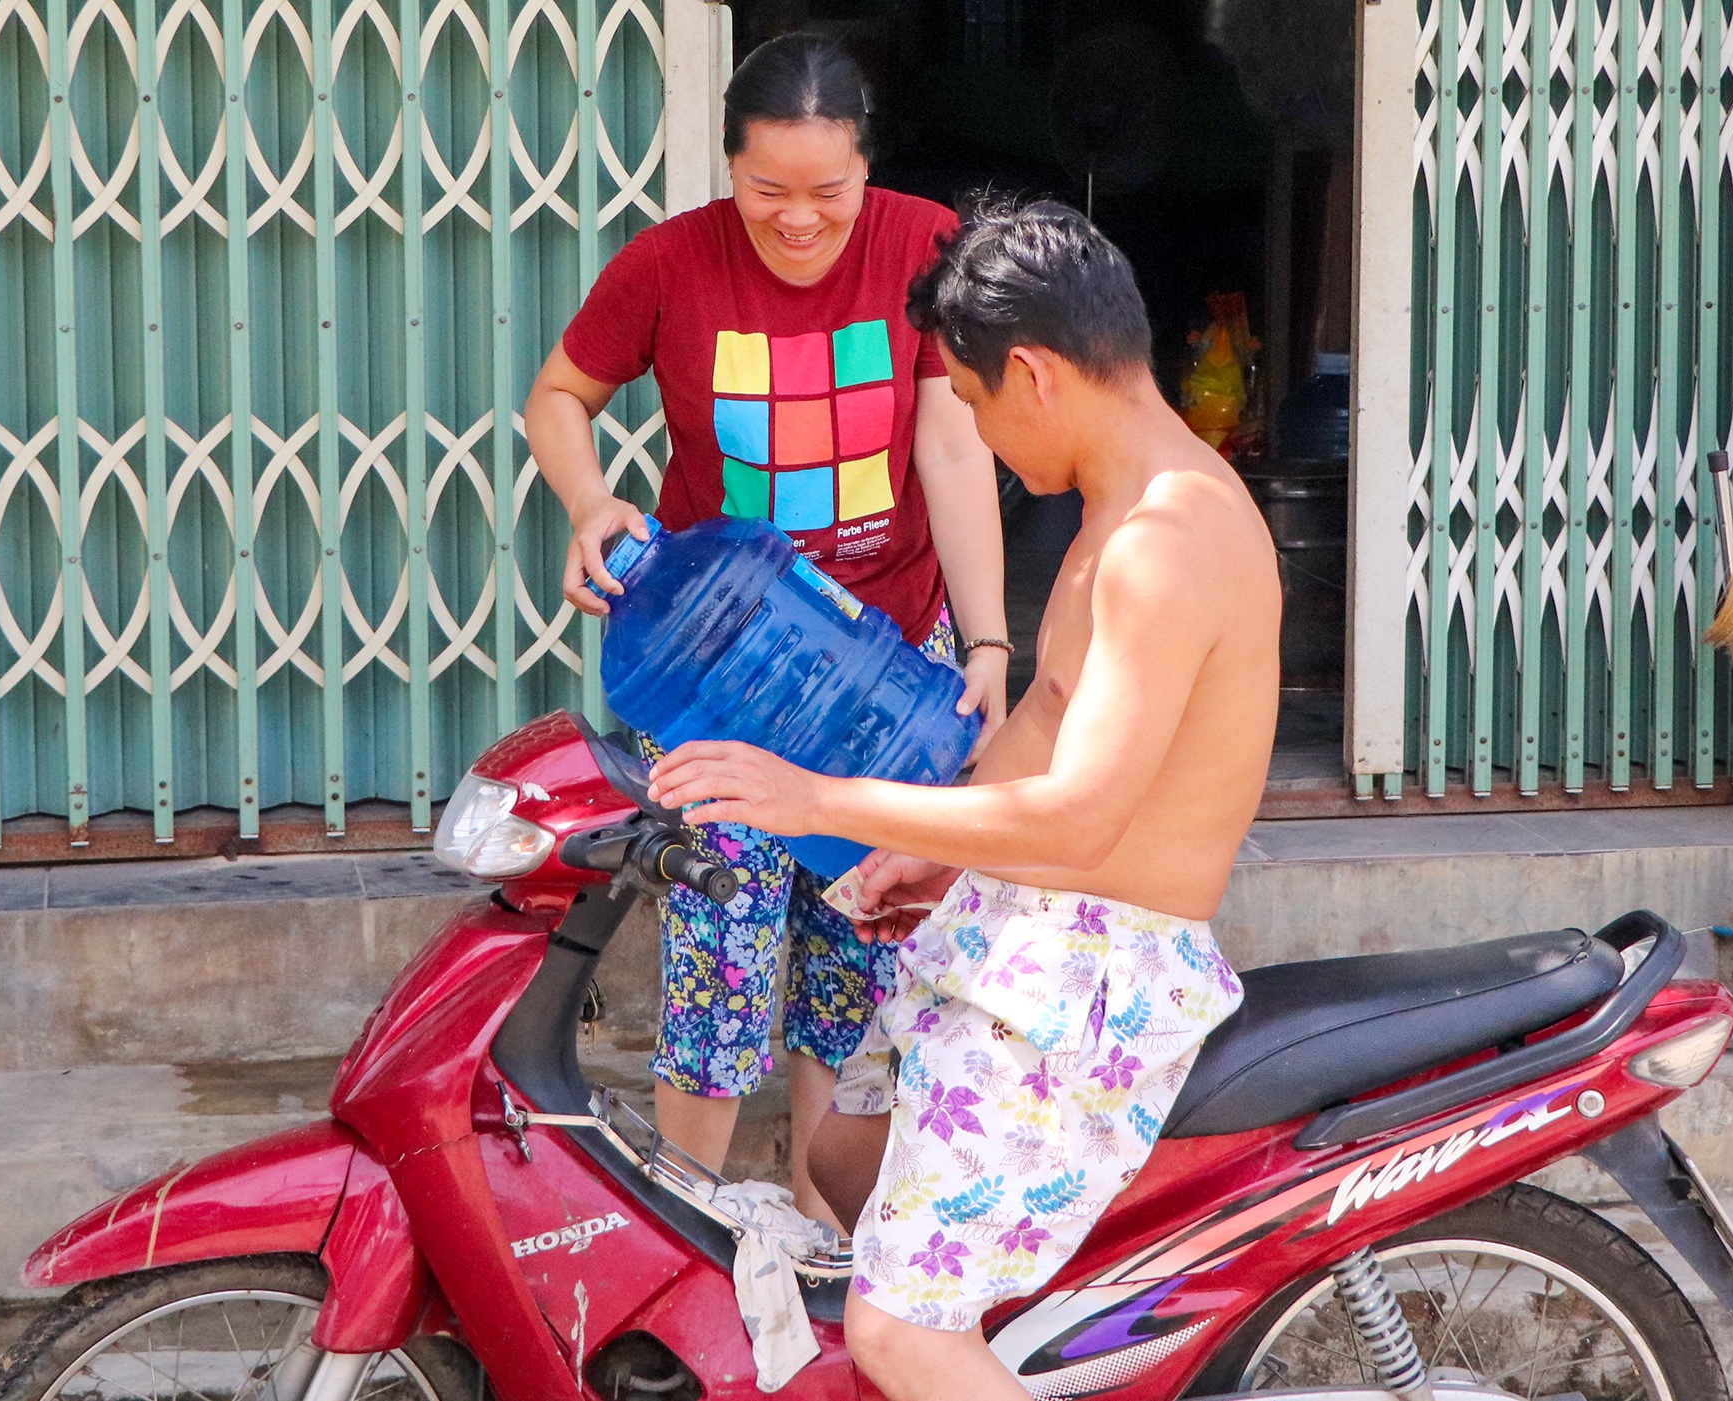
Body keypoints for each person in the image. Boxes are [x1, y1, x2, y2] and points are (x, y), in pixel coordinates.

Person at [645, 199, 1281, 1401]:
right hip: (1021, 927)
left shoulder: (1163, 542)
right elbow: (1044, 732)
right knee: (835, 1155)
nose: (978, 435)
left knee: (897, 1335)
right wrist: (935, 855)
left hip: (1090, 974)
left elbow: (1083, 815)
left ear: (1032, 374)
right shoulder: (1119, 509)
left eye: (973, 401)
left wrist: (827, 799)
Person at [524, 33, 1007, 1223]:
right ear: (727, 166)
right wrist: (591, 501)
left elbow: (950, 445)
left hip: (886, 676)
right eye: (768, 192)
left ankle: (833, 1250)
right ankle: (692, 1234)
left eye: (828, 193)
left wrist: (990, 644)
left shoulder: (920, 245)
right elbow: (559, 397)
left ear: (867, 169)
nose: (800, 220)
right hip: (725, 680)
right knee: (717, 961)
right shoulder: (670, 264)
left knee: (859, 961)